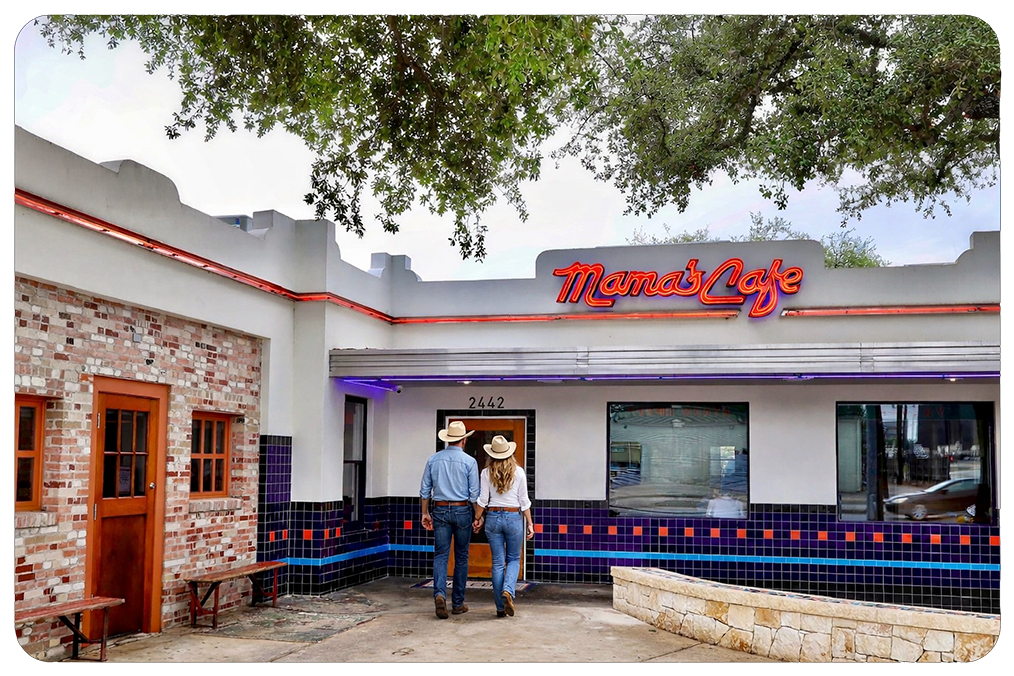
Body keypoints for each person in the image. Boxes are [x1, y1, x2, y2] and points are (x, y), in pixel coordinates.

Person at [419, 420, 480, 619]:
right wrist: (477, 517)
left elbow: (425, 490)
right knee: (461, 557)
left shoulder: (433, 460)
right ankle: (458, 603)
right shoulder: (470, 462)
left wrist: (425, 513)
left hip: (440, 509)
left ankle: (439, 594)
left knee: (441, 555)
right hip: (462, 510)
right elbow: (474, 495)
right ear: (463, 440)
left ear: (448, 440)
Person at [471, 435, 534, 618]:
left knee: (498, 563)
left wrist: (477, 518)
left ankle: (500, 607)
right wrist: (530, 523)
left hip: (493, 517)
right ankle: (508, 591)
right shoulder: (519, 472)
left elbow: (482, 500)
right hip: (514, 516)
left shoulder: (485, 473)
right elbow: (524, 502)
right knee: (513, 559)